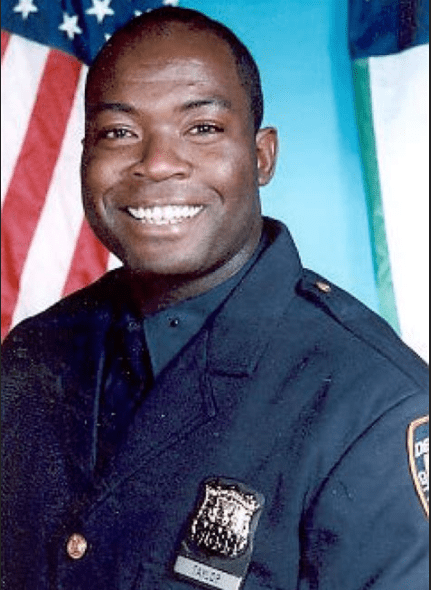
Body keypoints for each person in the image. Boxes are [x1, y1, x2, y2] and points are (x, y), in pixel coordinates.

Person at [1, 7, 428, 590]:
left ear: (263, 156)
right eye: (119, 132)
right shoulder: (33, 353)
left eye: (201, 128)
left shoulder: (373, 407)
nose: (156, 164)